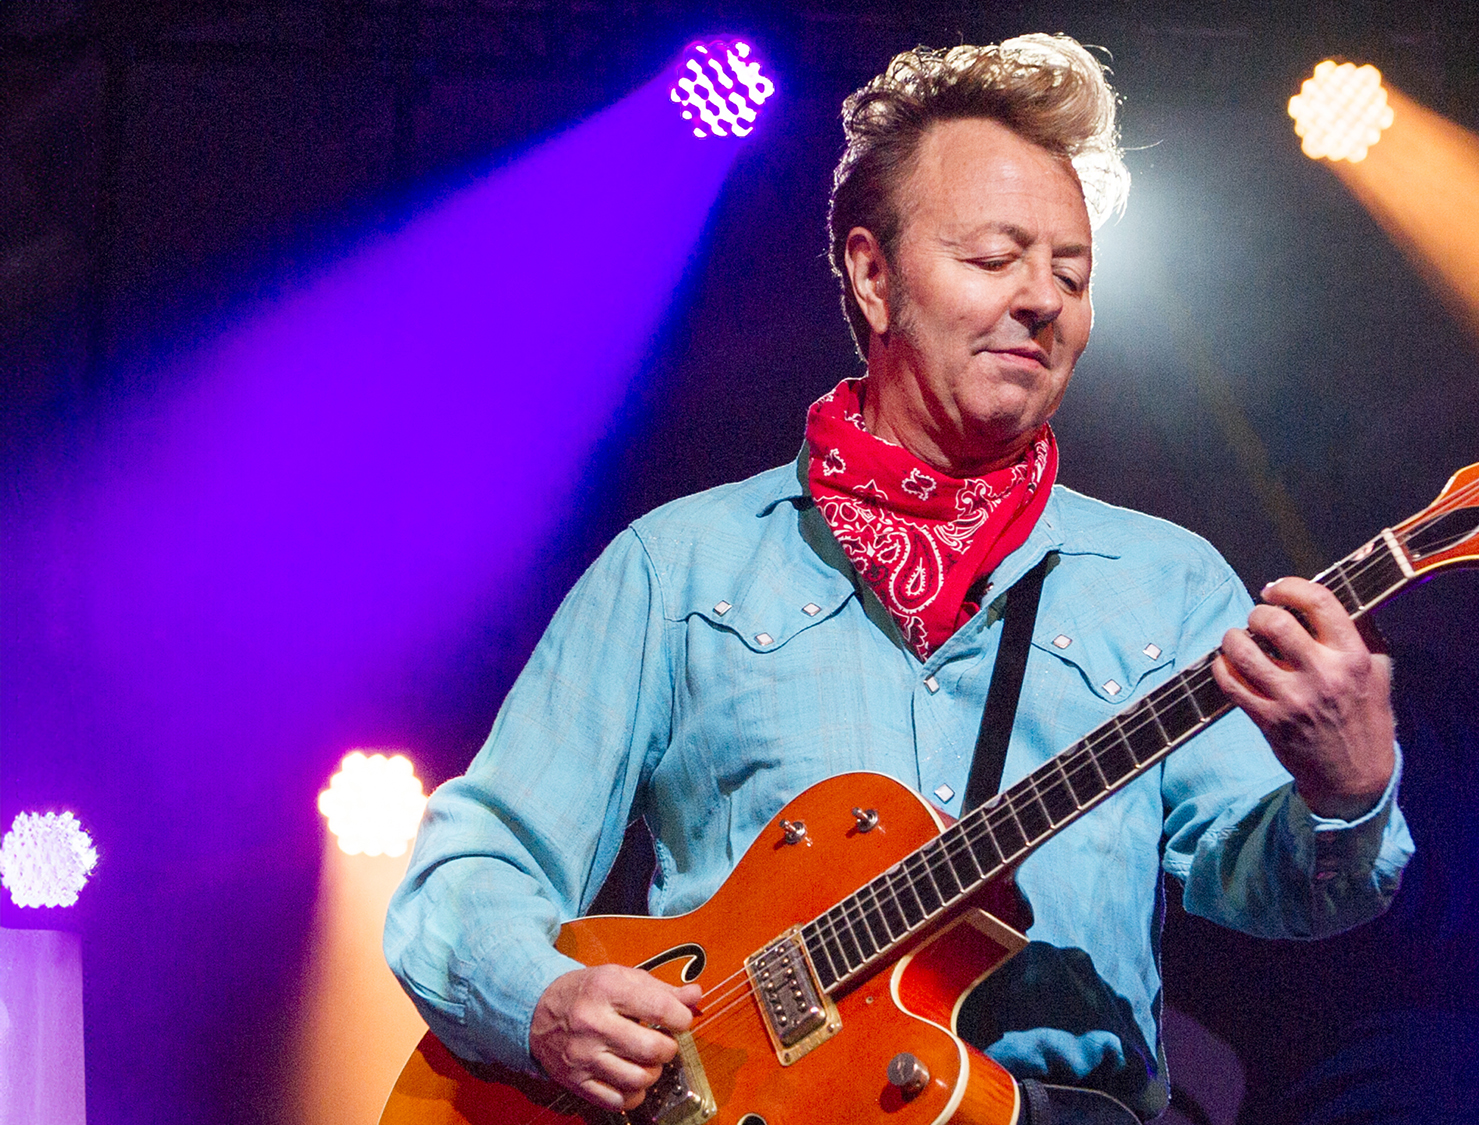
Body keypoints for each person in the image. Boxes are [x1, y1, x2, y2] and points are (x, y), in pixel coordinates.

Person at [386, 33, 1412, 1125]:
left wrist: (1344, 793)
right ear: (874, 277)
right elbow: (475, 864)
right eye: (994, 259)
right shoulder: (679, 564)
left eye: (1072, 275)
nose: (1042, 299)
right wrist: (545, 1002)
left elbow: (1284, 892)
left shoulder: (1166, 583)